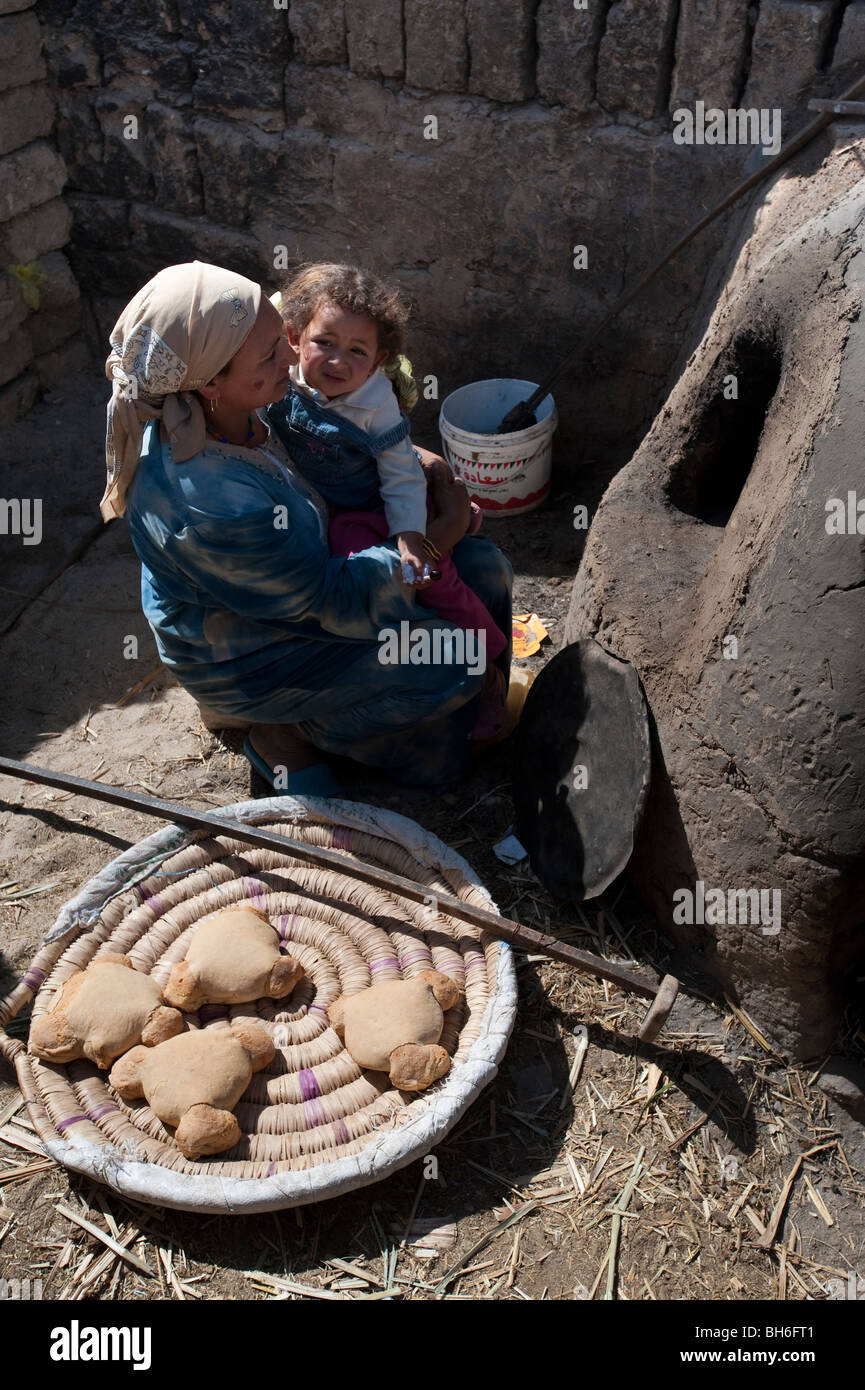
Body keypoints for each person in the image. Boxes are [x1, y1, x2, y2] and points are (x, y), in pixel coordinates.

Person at [101, 260, 513, 794]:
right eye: (272, 354)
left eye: (283, 339)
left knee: (486, 569)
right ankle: (287, 730)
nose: (292, 356)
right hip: (258, 650)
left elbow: (332, 445)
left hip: (313, 573)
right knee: (455, 660)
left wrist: (416, 461)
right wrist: (437, 540)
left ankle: (468, 705)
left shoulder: (242, 400)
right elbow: (327, 601)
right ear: (210, 384)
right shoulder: (207, 503)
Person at [267, 263, 508, 737]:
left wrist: (412, 536)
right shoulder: (278, 376)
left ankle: (491, 662)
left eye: (357, 351)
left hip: (377, 503)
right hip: (334, 509)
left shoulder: (376, 402)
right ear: (294, 337)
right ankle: (384, 665)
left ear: (378, 361)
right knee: (352, 573)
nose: (338, 361)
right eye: (325, 343)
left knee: (431, 578)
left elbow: (400, 473)